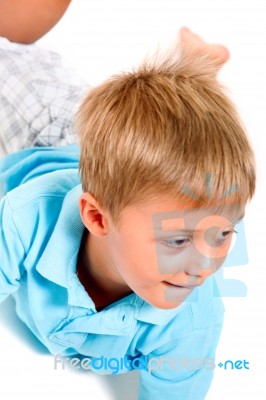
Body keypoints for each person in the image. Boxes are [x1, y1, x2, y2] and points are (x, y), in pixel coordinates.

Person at [0, 1, 256, 399]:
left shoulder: (191, 321)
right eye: (177, 240)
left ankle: (195, 65)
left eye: (224, 234)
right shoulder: (26, 217)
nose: (205, 266)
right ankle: (192, 65)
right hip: (42, 130)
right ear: (97, 218)